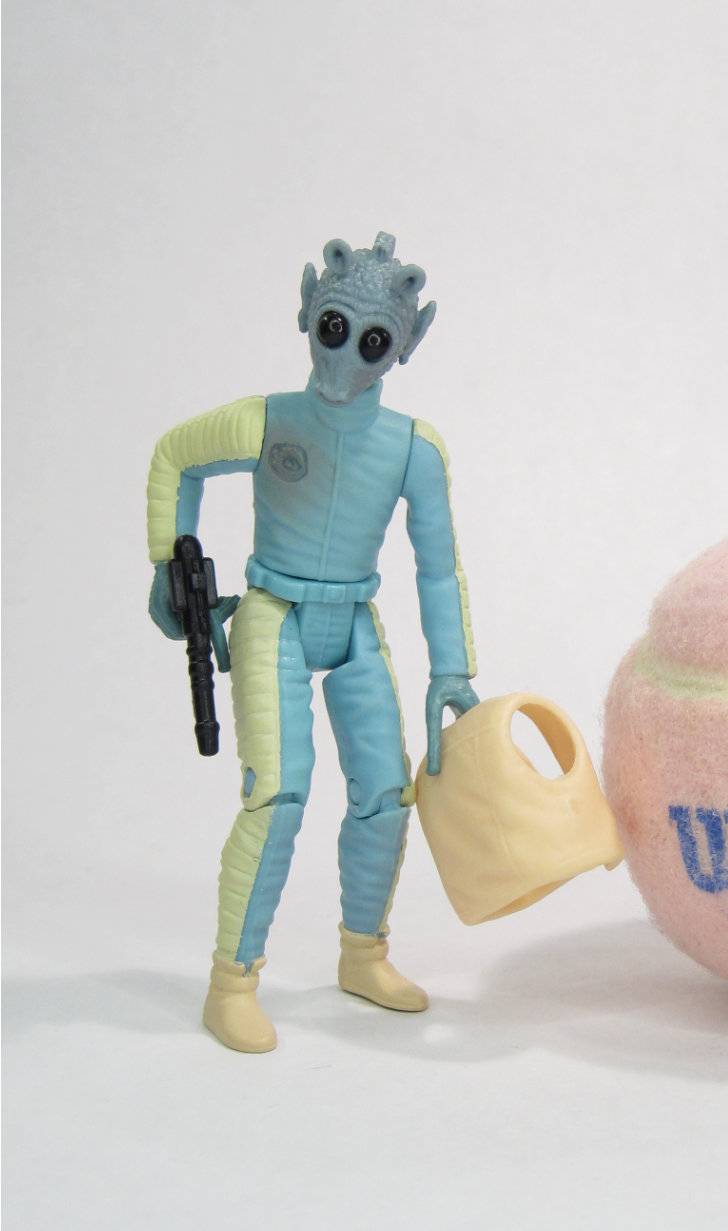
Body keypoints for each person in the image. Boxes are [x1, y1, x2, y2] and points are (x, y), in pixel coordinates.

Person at [147, 233, 479, 1052]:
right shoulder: (268, 420)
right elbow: (175, 458)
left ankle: (363, 953)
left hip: (356, 620)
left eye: (372, 342)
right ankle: (231, 981)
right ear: (307, 311)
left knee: (385, 793)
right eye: (334, 328)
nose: (347, 355)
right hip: (275, 613)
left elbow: (437, 565)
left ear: (403, 346)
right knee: (277, 794)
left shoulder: (412, 446)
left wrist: (451, 666)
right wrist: (168, 563)